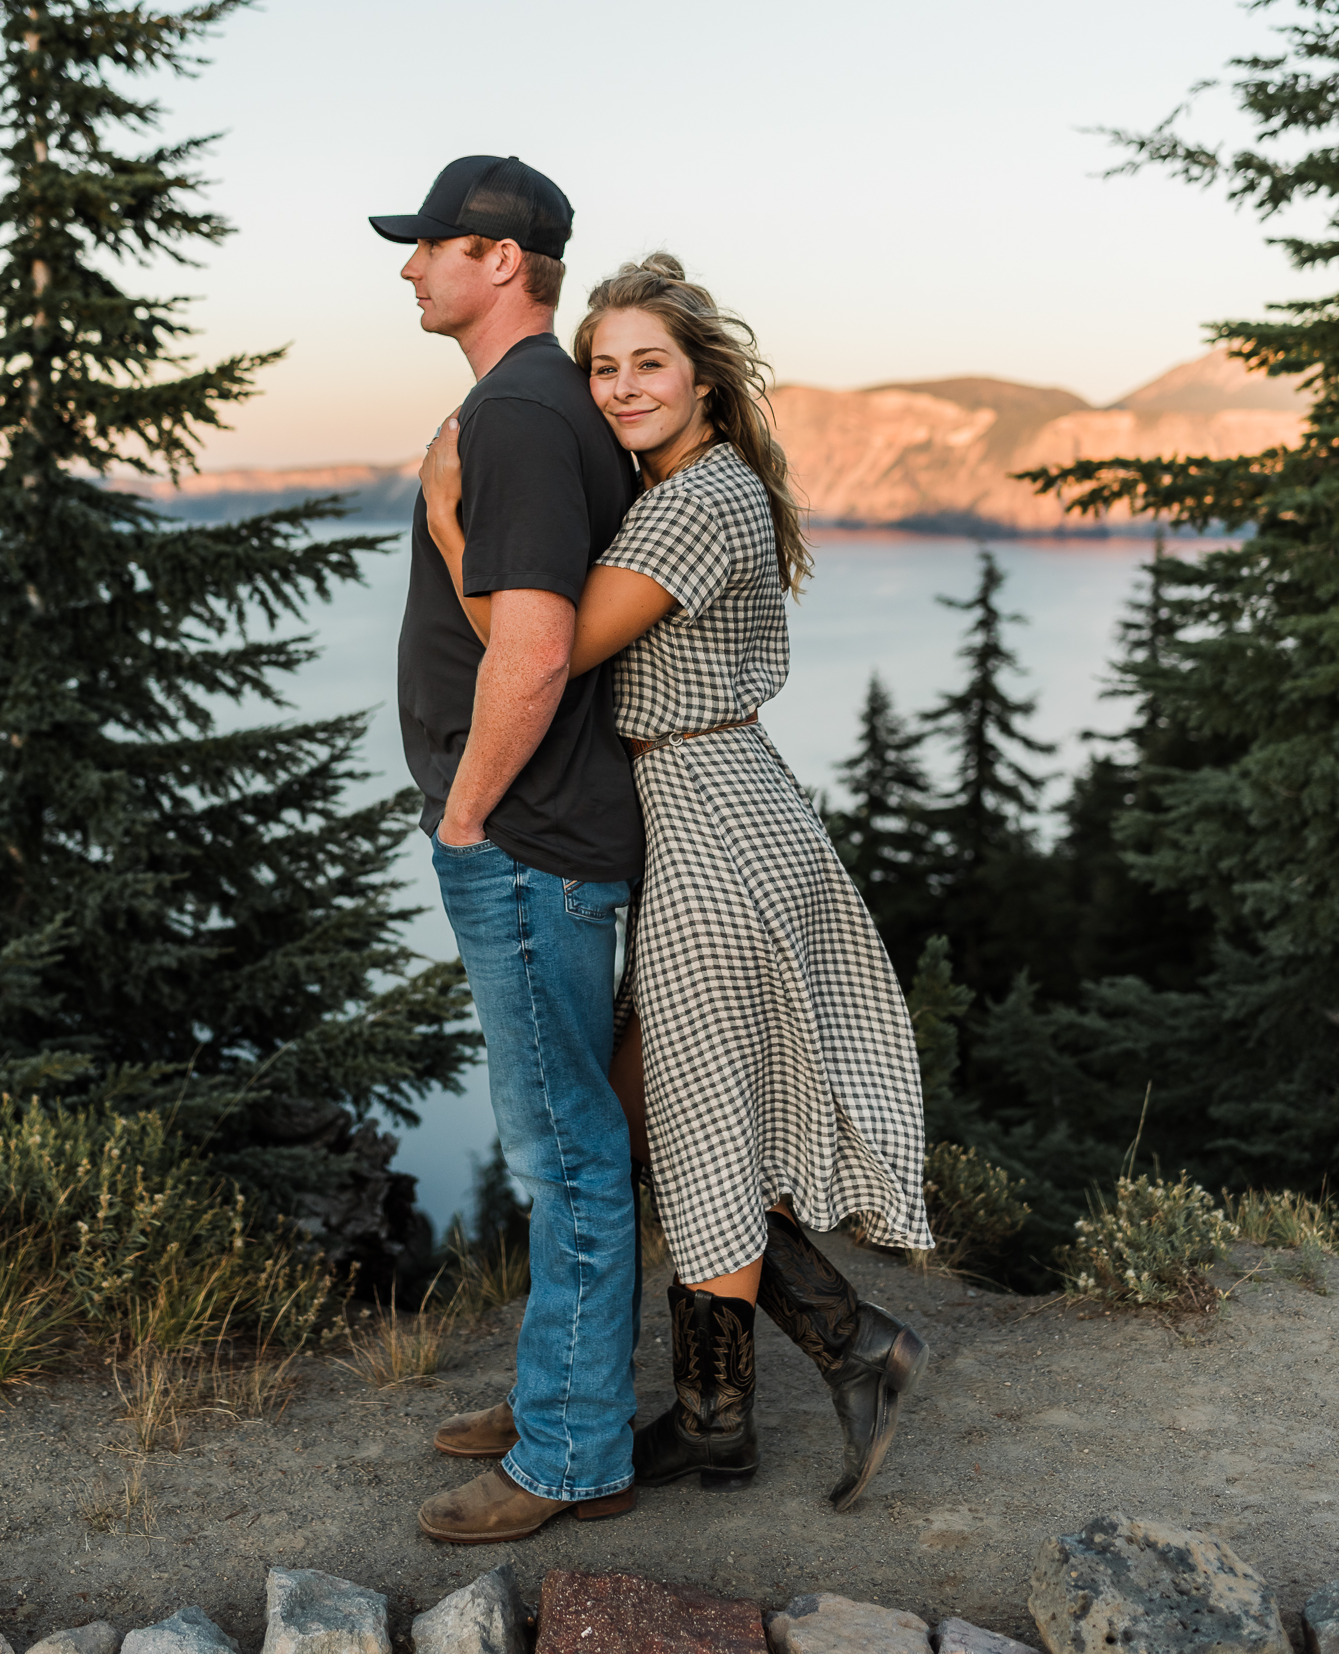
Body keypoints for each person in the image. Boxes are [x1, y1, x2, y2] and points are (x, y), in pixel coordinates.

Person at [420, 253, 933, 1510]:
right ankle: (774, 1381)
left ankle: (781, 1382)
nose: (620, 385)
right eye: (602, 366)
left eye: (648, 362)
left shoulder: (695, 502)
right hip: (702, 801)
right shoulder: (683, 487)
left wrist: (448, 522)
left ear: (705, 379)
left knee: (681, 1122)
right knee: (661, 1114)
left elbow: (543, 649)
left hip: (709, 825)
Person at [370, 156, 645, 1546]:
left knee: (565, 1154)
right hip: (538, 839)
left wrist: (466, 815)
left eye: (428, 244)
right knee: (561, 1142)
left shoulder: (524, 413)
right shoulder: (527, 403)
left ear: (495, 259)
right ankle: (562, 1393)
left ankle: (571, 1452)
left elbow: (533, 653)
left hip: (526, 841)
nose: (407, 266)